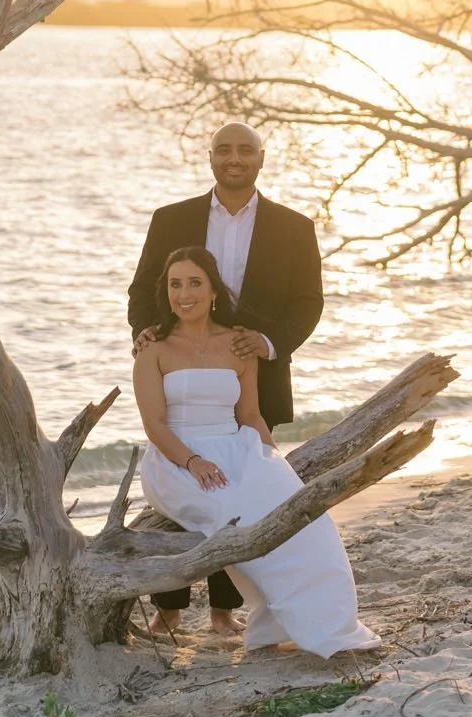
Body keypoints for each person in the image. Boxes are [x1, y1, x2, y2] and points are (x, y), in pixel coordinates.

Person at [134, 246, 377, 657]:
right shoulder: (153, 349)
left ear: (213, 290)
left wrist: (275, 463)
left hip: (238, 447)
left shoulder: (238, 344)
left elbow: (250, 414)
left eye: (195, 282)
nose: (184, 293)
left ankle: (322, 624)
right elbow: (154, 426)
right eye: (175, 284)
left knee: (303, 519)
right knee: (235, 512)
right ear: (166, 292)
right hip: (177, 461)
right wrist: (193, 462)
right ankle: (285, 615)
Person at [128, 123, 323, 632]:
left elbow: (308, 303)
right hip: (179, 372)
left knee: (241, 500)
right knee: (182, 504)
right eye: (224, 151)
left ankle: (223, 613)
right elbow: (143, 288)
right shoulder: (170, 219)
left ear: (261, 157)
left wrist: (268, 343)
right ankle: (168, 610)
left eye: (245, 151)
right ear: (210, 157)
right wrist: (146, 333)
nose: (234, 159)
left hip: (248, 378)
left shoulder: (295, 227)